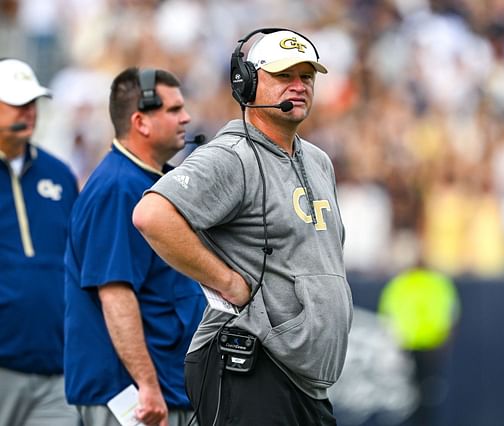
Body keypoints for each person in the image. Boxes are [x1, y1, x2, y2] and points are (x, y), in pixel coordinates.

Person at [132, 28, 353, 425]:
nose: (299, 86)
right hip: (250, 363)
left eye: (306, 77)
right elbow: (152, 215)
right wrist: (226, 281)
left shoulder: (318, 160)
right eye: (284, 76)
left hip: (301, 379)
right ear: (246, 82)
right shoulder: (231, 156)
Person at [64, 67, 206, 426]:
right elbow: (115, 293)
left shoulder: (144, 179)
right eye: (173, 110)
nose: (186, 117)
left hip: (161, 388)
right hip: (135, 399)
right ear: (140, 122)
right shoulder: (119, 187)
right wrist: (146, 384)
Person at [0, 58, 80, 425]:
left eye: (32, 102)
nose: (29, 112)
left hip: (56, 365)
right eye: (17, 103)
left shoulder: (59, 174)